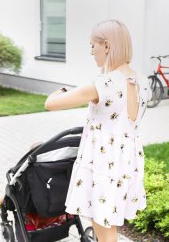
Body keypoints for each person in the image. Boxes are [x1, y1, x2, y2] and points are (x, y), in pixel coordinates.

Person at [44, 20, 152, 242]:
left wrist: (61, 89)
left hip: (103, 162)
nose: (91, 52)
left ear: (106, 45)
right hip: (127, 160)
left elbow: (50, 103)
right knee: (108, 225)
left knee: (103, 229)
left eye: (93, 46)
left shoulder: (103, 84)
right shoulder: (143, 82)